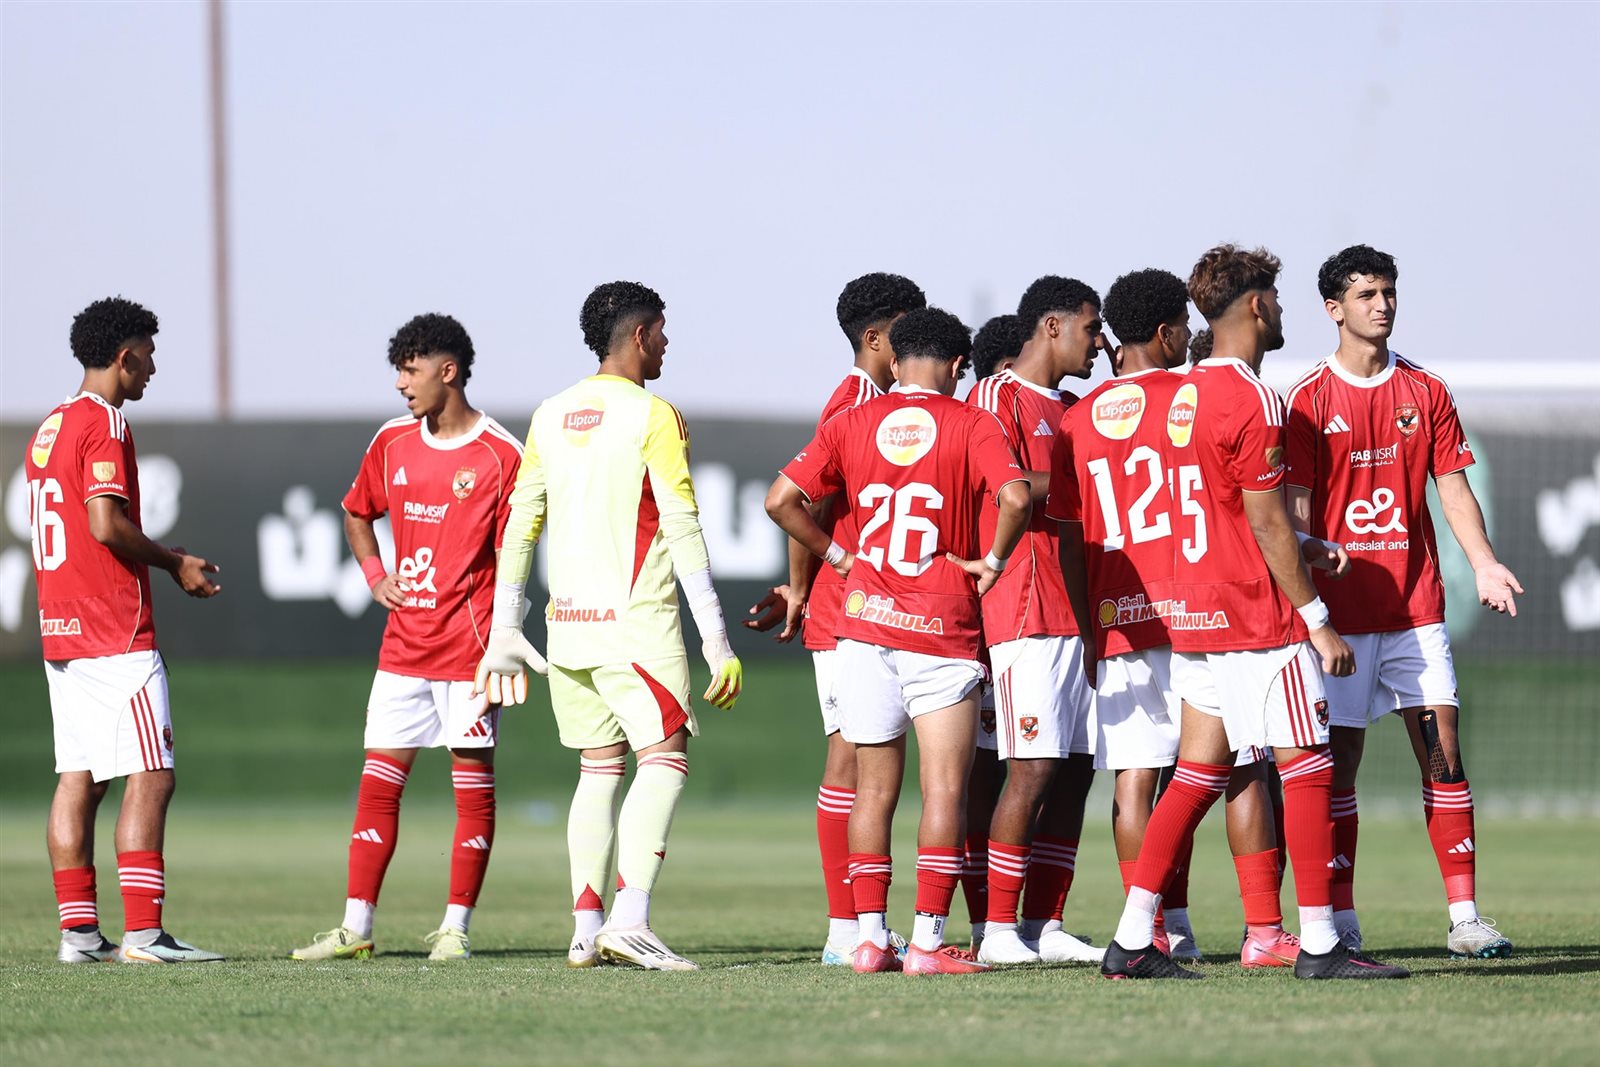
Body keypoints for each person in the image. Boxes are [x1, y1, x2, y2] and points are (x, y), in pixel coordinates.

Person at [1100, 245, 1409, 980]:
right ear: (1257, 305)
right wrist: (1318, 619)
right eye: (1275, 295)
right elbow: (1265, 522)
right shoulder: (1256, 396)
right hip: (1255, 617)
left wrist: (1308, 545)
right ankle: (1322, 944)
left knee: (1195, 774)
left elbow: (1225, 510)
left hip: (1194, 615)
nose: (1281, 308)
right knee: (1308, 763)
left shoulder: (1178, 393)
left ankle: (1131, 938)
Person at [476, 281, 743, 972]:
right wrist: (716, 639)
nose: (667, 343)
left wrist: (506, 625)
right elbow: (682, 524)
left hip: (567, 628)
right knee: (664, 758)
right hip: (637, 626)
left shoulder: (549, 413)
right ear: (640, 334)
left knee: (597, 771)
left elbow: (521, 523)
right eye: (662, 331)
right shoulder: (656, 414)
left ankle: (585, 929)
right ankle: (630, 920)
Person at [766, 306, 1032, 975]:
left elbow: (780, 500)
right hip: (940, 626)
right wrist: (993, 563)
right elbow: (1017, 498)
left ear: (897, 356)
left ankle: (866, 939)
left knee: (872, 791)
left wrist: (837, 556)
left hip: (863, 627)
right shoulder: (973, 421)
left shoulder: (852, 421)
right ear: (955, 364)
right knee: (943, 790)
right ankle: (926, 944)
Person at [1052, 268, 1298, 969]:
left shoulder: (1077, 420)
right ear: (1167, 333)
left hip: (1117, 617)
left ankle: (1150, 929)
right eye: (1185, 328)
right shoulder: (1193, 396)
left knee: (1134, 777)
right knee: (1243, 767)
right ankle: (1263, 930)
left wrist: (1088, 628)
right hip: (1199, 611)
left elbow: (1070, 538)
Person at [1285, 244, 1520, 959]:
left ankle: (1465, 918)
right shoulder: (1308, 399)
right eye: (1366, 295)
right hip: (1340, 621)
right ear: (1334, 309)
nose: (1382, 304)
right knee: (1339, 767)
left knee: (1444, 756)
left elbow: (1452, 488)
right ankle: (1340, 918)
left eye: (1388, 292)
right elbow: (1295, 512)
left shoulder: (1426, 390)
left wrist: (1484, 562)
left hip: (1415, 613)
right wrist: (1309, 597)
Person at [292, 314, 522, 963]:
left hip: (470, 655)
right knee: (378, 785)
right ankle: (355, 926)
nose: (400, 383)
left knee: (472, 788)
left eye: (411, 370)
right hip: (402, 651)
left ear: (448, 371)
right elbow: (356, 511)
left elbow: (515, 554)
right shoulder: (391, 440)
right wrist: (375, 575)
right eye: (399, 371)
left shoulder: (501, 454)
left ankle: (455, 928)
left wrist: (506, 636)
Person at [28, 296, 224, 964]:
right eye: (149, 353)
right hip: (112, 631)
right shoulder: (104, 421)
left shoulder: (51, 425)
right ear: (123, 356)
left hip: (62, 630)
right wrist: (173, 562)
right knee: (152, 773)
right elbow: (104, 524)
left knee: (79, 777)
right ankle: (144, 934)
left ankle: (80, 936)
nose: (153, 367)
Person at [743, 272, 926, 964]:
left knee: (863, 757)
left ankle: (854, 925)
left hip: (861, 606)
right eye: (907, 325)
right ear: (875, 337)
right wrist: (808, 580)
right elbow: (802, 499)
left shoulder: (882, 401)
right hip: (846, 610)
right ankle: (845, 928)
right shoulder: (854, 401)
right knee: (849, 759)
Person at [964, 280, 1104, 966]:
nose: (1098, 343)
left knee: (1076, 769)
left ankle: (1045, 925)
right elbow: (1006, 487)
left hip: (1079, 611)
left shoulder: (1073, 409)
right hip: (1022, 604)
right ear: (1052, 325)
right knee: (1031, 767)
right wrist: (1088, 478)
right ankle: (996, 929)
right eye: (1090, 328)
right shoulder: (996, 395)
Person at [957, 313, 1025, 950]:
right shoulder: (987, 407)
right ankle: (987, 924)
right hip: (981, 622)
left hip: (994, 619)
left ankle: (1017, 925)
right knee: (976, 778)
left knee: (1023, 772)